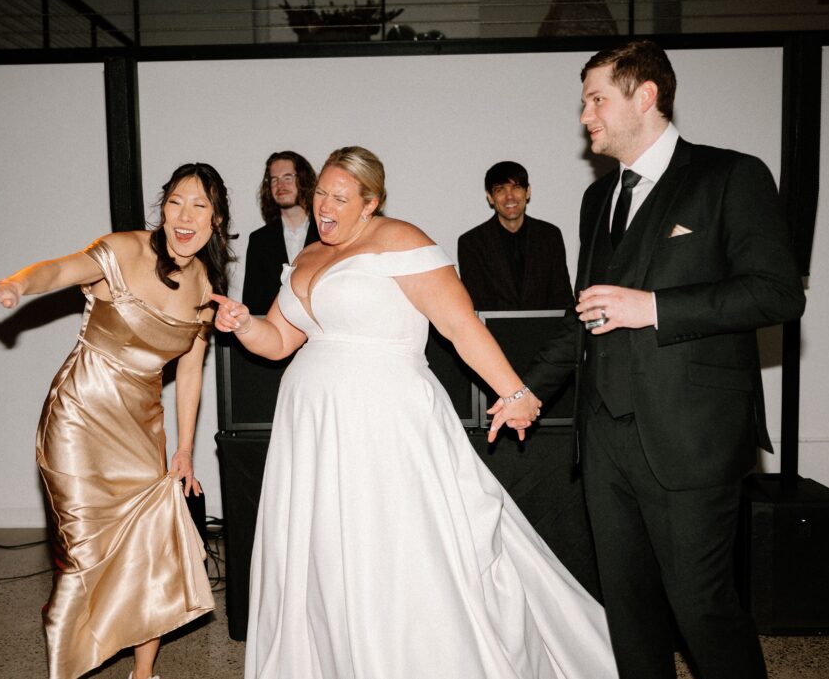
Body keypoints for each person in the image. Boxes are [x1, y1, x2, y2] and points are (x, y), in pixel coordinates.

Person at [212, 146, 617, 679]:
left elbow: (461, 326)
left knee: (391, 547)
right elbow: (278, 341)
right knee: (328, 557)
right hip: (312, 428)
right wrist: (243, 324)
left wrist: (514, 392)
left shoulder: (401, 240)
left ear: (370, 202)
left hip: (385, 424)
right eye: (320, 197)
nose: (325, 207)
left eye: (340, 197)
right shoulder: (307, 258)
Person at [521, 42, 806, 679]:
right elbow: (588, 312)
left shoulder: (730, 176)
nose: (585, 115)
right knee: (629, 611)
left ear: (645, 96)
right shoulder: (599, 199)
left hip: (691, 436)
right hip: (605, 442)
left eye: (597, 98)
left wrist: (654, 307)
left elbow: (778, 292)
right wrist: (529, 390)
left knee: (703, 608)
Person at [0, 163, 233, 679]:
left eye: (199, 205)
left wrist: (185, 449)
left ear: (216, 220)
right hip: (79, 418)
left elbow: (191, 368)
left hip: (142, 426)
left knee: (153, 546)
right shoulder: (125, 250)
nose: (184, 216)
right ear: (163, 207)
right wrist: (14, 287)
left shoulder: (206, 283)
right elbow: (59, 271)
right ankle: (67, 665)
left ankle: (143, 673)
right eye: (175, 201)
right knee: (87, 555)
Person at [458, 161, 574, 310]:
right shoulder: (471, 243)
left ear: (528, 192)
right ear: (490, 197)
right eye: (500, 190)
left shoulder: (550, 236)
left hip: (547, 331)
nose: (509, 197)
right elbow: (476, 303)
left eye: (516, 187)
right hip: (492, 332)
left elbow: (562, 296)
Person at [242, 151, 320, 311]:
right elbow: (253, 306)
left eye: (288, 177)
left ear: (303, 179)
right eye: (274, 180)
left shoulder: (325, 234)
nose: (280, 185)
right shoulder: (259, 240)